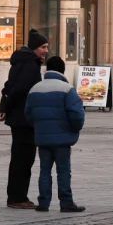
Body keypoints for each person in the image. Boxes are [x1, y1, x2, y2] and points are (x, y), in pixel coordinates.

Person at [23, 56, 86, 213]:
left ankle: (43, 202)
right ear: (62, 70)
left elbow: (28, 114)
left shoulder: (35, 89)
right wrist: (74, 128)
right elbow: (77, 114)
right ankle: (66, 202)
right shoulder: (67, 89)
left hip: (43, 138)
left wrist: (39, 128)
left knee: (44, 170)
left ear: (46, 69)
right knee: (63, 171)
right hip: (62, 139)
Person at [0, 29, 49, 209]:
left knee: (19, 158)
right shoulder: (30, 65)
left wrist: (5, 107)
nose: (46, 51)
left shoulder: (22, 62)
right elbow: (20, 89)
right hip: (24, 119)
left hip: (18, 117)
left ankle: (16, 196)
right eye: (43, 47)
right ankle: (17, 198)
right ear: (34, 48)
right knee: (24, 159)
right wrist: (9, 106)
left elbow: (8, 87)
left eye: (47, 47)